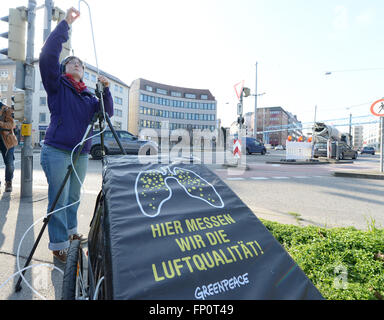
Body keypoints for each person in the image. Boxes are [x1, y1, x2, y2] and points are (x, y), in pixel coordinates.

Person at [39, 7, 113, 263]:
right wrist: (65, 24)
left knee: (73, 197)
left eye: (81, 64)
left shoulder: (88, 96)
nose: (78, 65)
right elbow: (48, 54)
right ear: (63, 69)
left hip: (80, 154)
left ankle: (71, 235)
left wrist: (106, 90)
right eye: (73, 62)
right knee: (59, 198)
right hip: (57, 151)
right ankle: (58, 245)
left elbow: (107, 114)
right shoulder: (57, 86)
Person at [0, 100, 18, 193]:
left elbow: (11, 125)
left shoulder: (7, 109)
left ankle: (8, 182)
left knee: (9, 164)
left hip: (7, 140)